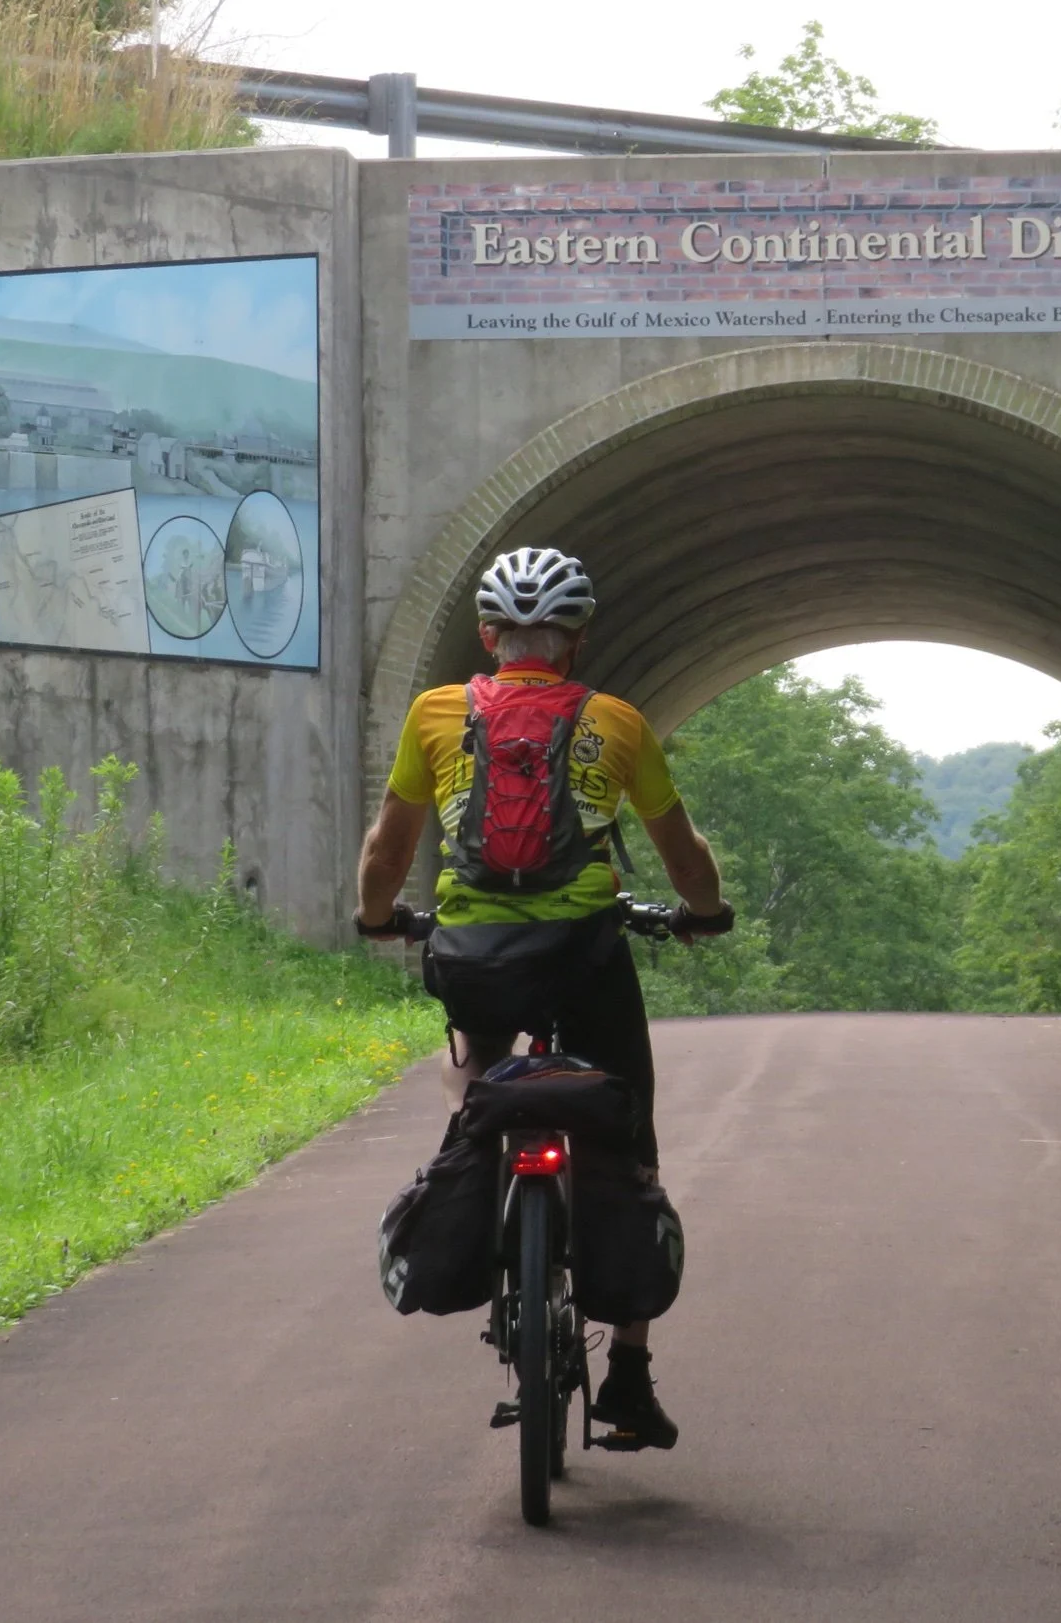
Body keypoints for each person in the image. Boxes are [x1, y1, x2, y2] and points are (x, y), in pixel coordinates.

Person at [353, 545, 728, 1452]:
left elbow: (388, 848)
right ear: (577, 637)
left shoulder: (437, 714)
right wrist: (702, 912)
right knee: (630, 1135)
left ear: (487, 636)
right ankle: (629, 1378)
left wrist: (379, 918)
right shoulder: (619, 724)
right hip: (585, 953)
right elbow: (682, 854)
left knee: (469, 1065)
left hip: (475, 955)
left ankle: (471, 1143)